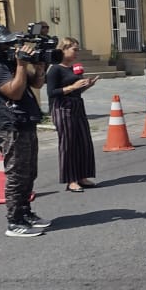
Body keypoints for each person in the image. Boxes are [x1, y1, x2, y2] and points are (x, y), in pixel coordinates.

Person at [0, 25, 52, 237]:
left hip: (24, 121)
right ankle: (14, 221)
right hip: (10, 126)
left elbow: (36, 83)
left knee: (29, 172)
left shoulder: (9, 62)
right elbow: (15, 93)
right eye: (8, 43)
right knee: (16, 174)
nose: (13, 46)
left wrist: (40, 63)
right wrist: (20, 64)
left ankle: (25, 213)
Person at [46, 37, 98, 193]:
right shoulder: (55, 69)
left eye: (77, 50)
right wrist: (72, 86)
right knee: (68, 144)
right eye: (74, 49)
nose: (77, 53)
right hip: (62, 107)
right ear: (64, 49)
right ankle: (71, 179)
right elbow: (52, 93)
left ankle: (82, 175)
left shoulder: (73, 68)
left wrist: (86, 86)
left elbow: (76, 89)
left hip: (77, 105)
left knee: (83, 141)